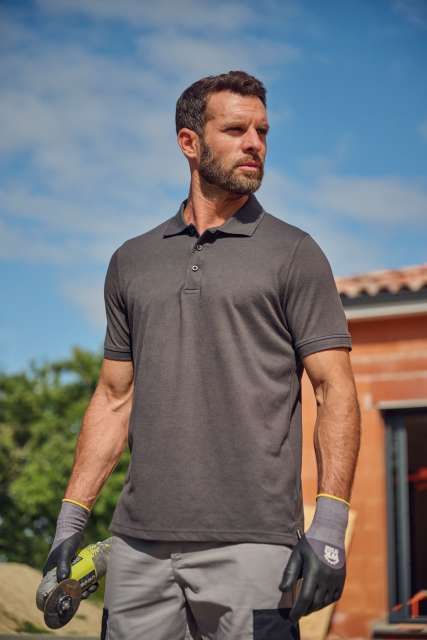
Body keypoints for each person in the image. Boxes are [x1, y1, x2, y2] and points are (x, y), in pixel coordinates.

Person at [42, 70, 361, 640]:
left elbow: (334, 388)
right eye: (236, 130)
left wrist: (330, 528)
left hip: (256, 546)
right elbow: (113, 398)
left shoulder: (294, 253)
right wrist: (70, 521)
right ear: (189, 142)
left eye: (262, 131)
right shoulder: (132, 260)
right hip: (138, 547)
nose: (255, 143)